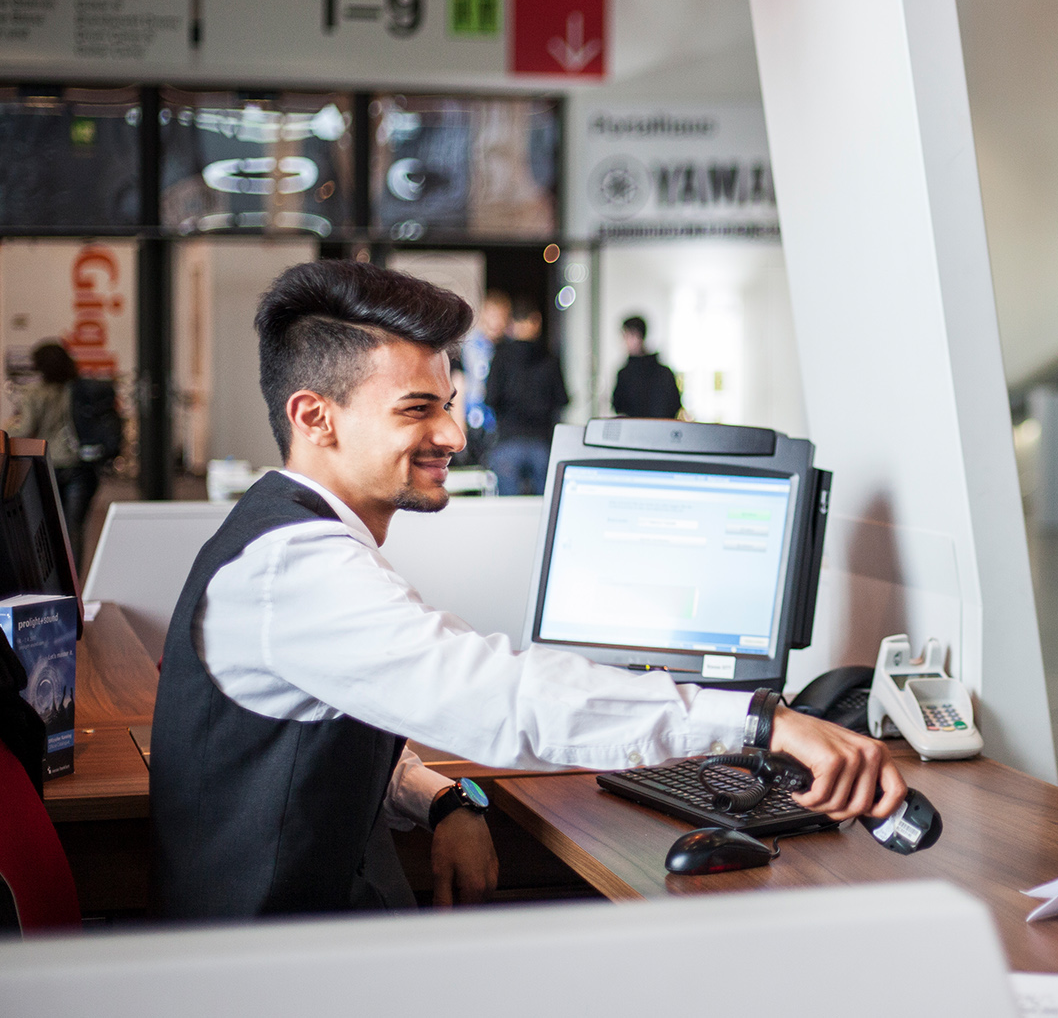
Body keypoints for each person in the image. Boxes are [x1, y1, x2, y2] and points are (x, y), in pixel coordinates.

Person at [149, 260, 902, 920]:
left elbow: (362, 711)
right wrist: (763, 721)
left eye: (448, 402)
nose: (453, 434)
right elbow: (499, 696)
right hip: (267, 979)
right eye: (419, 409)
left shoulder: (290, 541)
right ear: (315, 416)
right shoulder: (297, 571)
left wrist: (447, 798)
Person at [9, 342, 111, 548]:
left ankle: (55, 577)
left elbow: (25, 429)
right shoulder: (79, 390)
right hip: (80, 464)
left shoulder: (34, 394)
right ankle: (76, 577)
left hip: (49, 464)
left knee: (48, 525)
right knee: (74, 528)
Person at [484, 301, 569, 496]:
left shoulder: (501, 356)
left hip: (508, 440)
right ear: (537, 322)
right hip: (542, 441)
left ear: (512, 324)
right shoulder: (550, 358)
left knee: (509, 510)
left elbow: (490, 398)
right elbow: (562, 399)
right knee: (545, 507)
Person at [450, 290, 511, 465]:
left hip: (501, 425)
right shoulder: (469, 347)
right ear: (484, 314)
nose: (496, 322)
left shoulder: (510, 349)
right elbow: (459, 384)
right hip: (473, 422)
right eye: (492, 315)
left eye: (500, 316)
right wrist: (459, 425)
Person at [610, 315, 683, 420]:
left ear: (637, 336)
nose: (624, 342)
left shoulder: (626, 374)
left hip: (644, 431)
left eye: (626, 336)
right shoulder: (664, 372)